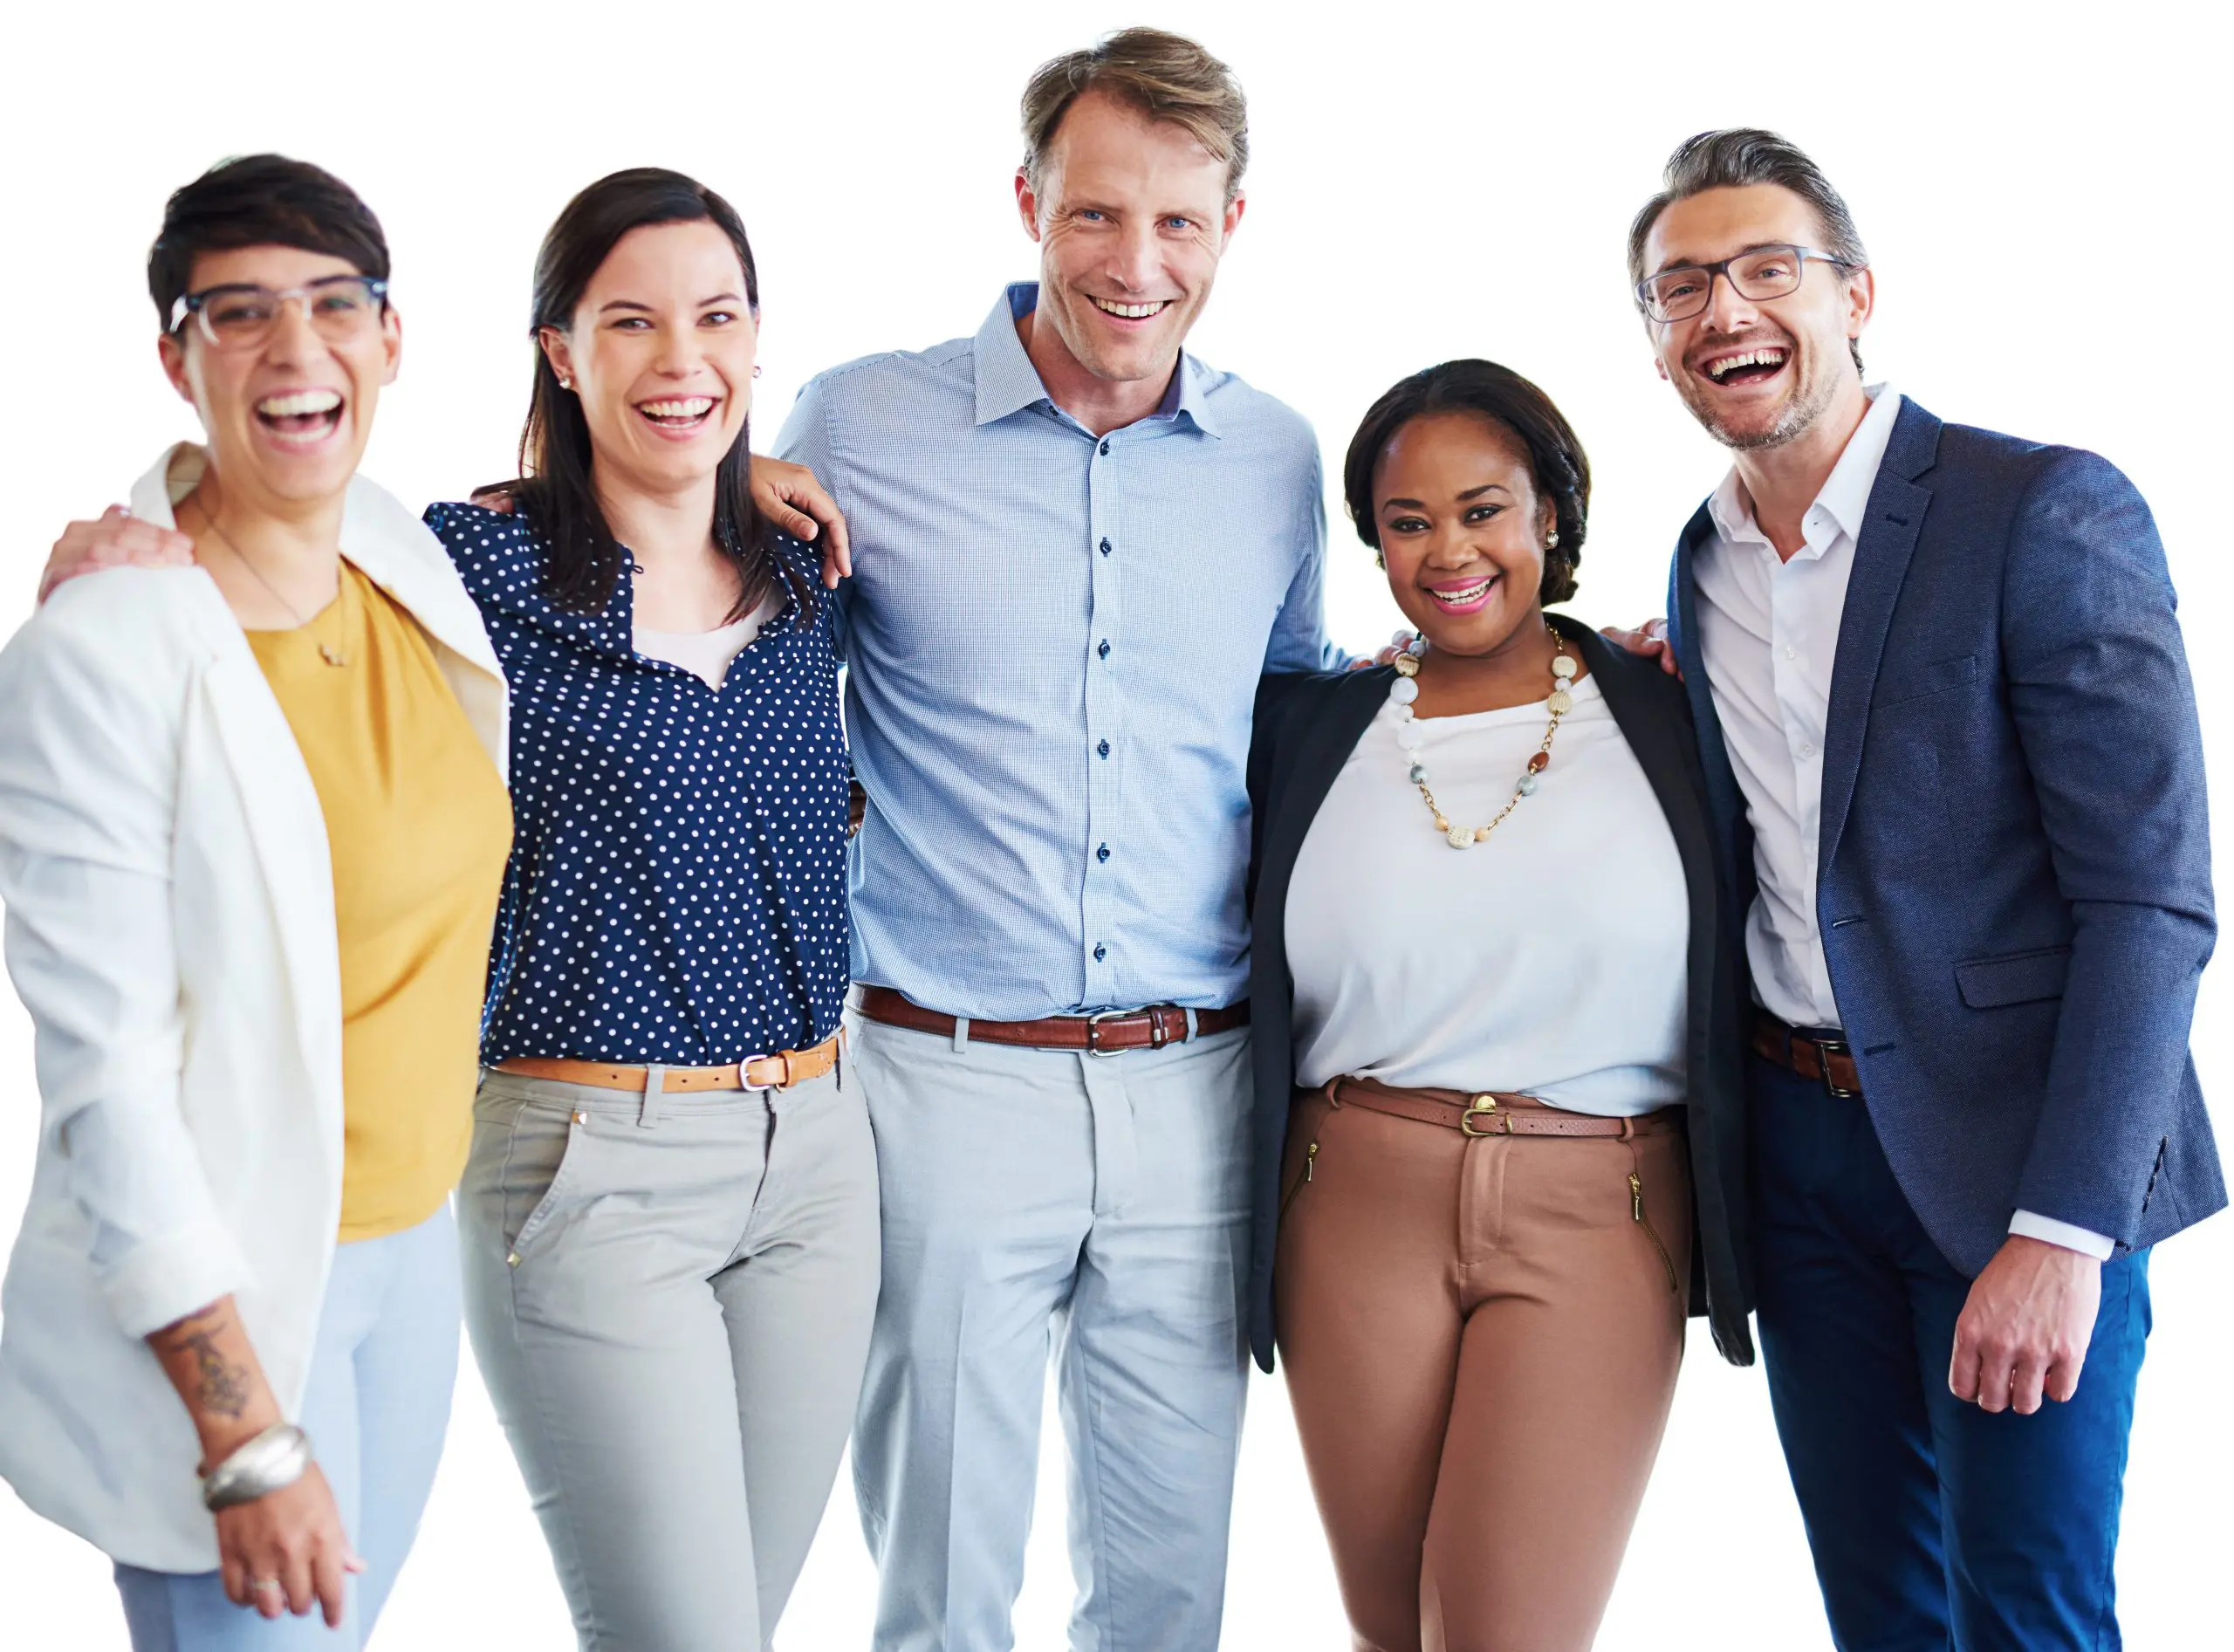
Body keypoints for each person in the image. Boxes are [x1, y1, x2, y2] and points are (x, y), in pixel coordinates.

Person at [772, 28, 1334, 1649]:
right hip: (945, 1081)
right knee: (942, 1586)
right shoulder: (862, 421)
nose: (1135, 263)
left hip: (1197, 1090)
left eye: (1178, 222)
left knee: (1168, 1596)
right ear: (1026, 202)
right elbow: (723, 645)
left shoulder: (1279, 459)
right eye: (1096, 215)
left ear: (1236, 224)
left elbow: (1294, 719)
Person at [1623, 129, 2219, 1649]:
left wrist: (2065, 1231)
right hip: (1796, 1159)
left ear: (1858, 295)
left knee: (2026, 1615)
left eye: (1768, 268)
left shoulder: (2042, 509)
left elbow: (2151, 901)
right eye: (1681, 286)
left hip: (2011, 1163)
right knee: (1882, 1615)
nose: (1725, 311)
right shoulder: (1700, 568)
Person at [0, 155, 512, 1649]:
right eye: (239, 316)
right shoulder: (104, 653)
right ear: (176, 357)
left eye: (333, 304)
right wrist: (244, 1434)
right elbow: (108, 1086)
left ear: (392, 336)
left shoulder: (403, 554)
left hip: (414, 1255)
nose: (297, 352)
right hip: (231, 1301)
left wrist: (770, 474)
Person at [428, 169, 876, 1652]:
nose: (681, 358)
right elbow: (279, 556)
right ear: (562, 349)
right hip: (590, 1169)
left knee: (730, 1630)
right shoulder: (469, 568)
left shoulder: (802, 573)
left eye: (716, 317)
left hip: (817, 1165)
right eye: (631, 322)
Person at [1245, 360, 1751, 1652]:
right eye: (1407, 523)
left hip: (1602, 1208)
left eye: (1484, 511)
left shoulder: (1674, 705)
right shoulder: (1309, 726)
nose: (1448, 551)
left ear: (1552, 521)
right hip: (1349, 1197)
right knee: (1390, 1630)